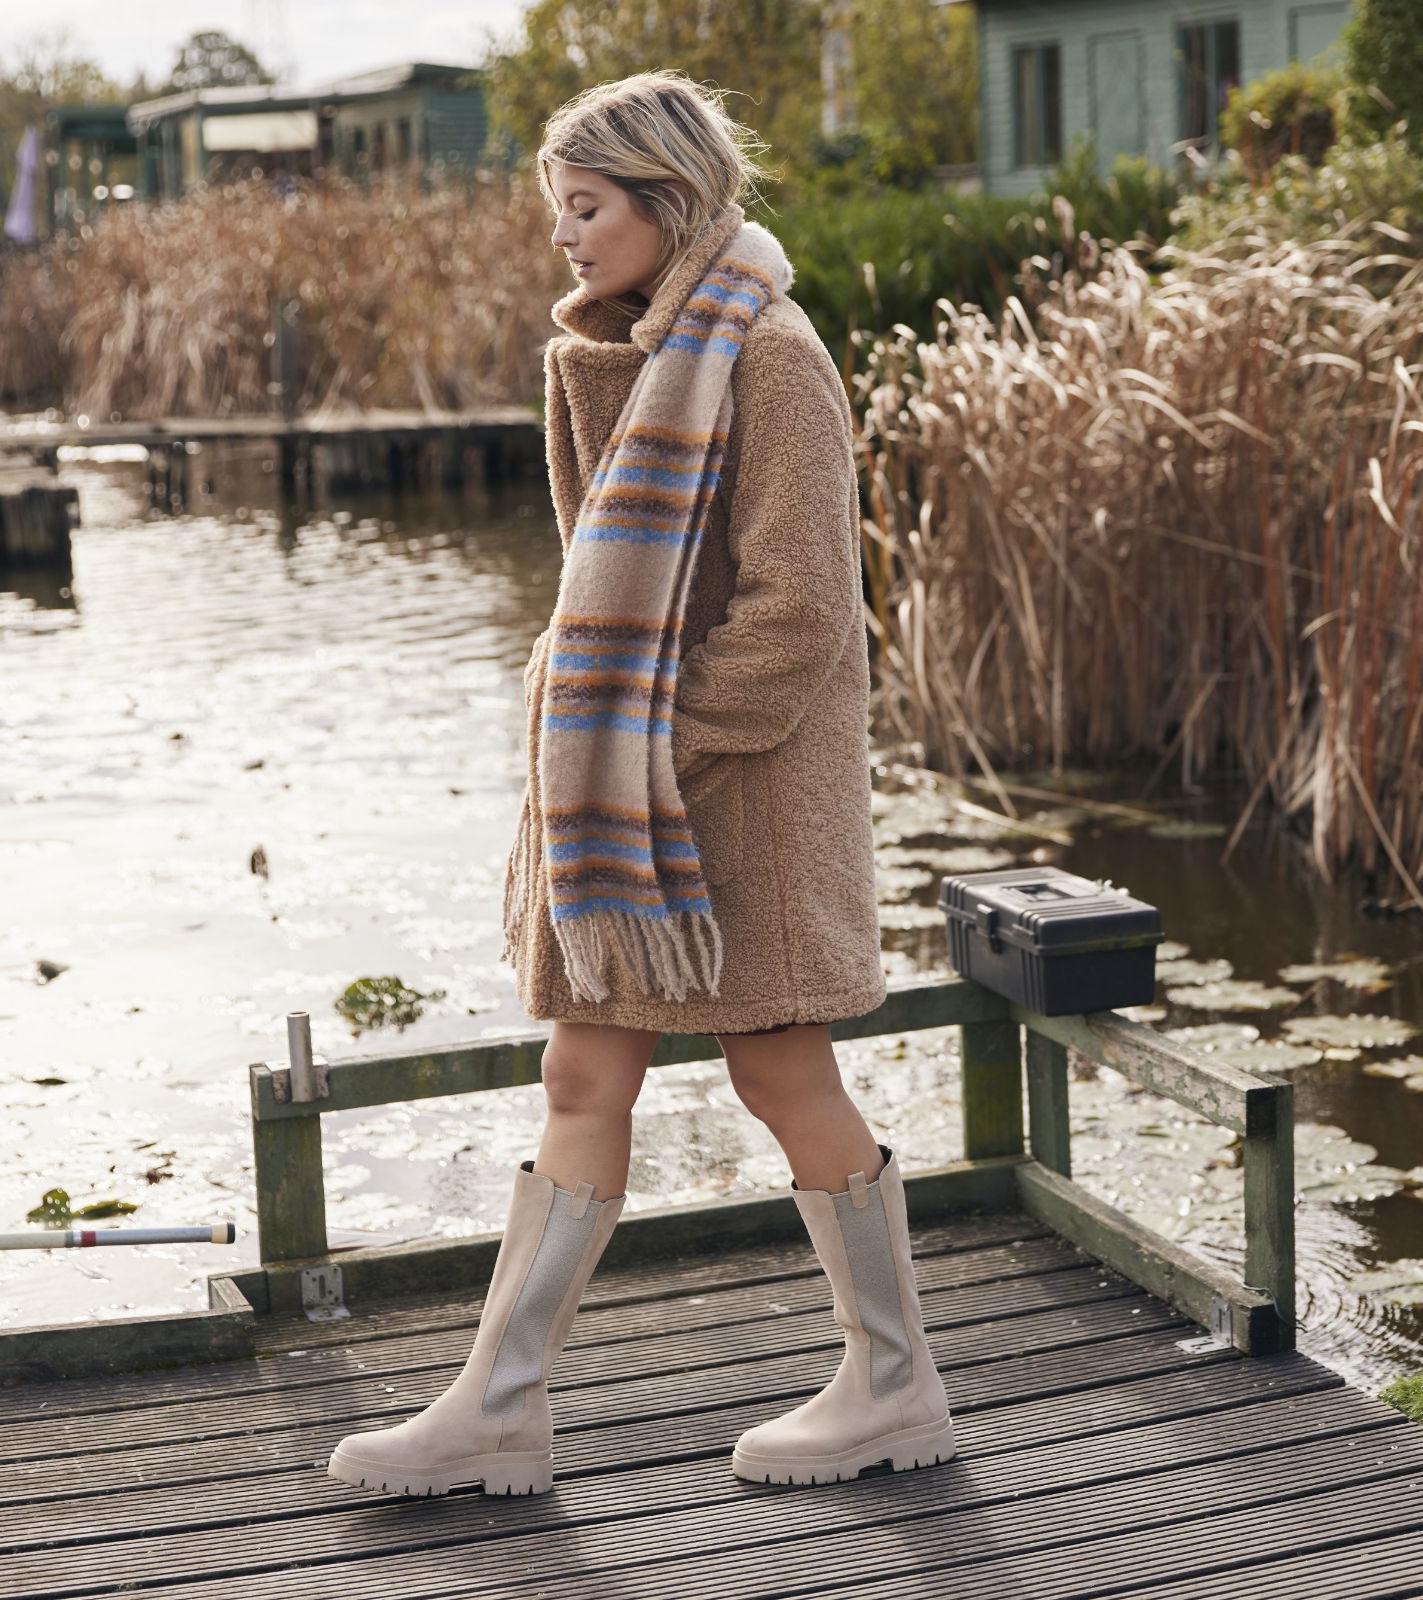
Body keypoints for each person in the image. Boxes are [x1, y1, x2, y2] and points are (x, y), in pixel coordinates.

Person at [326, 72, 938, 1499]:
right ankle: (498, 1407)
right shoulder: (625, 355)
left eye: (587, 208)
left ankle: (896, 1384)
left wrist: (639, 752)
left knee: (781, 1068)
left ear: (668, 200)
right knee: (582, 1064)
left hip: (738, 803)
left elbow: (800, 618)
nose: (566, 237)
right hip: (650, 805)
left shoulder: (769, 355)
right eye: (558, 209)